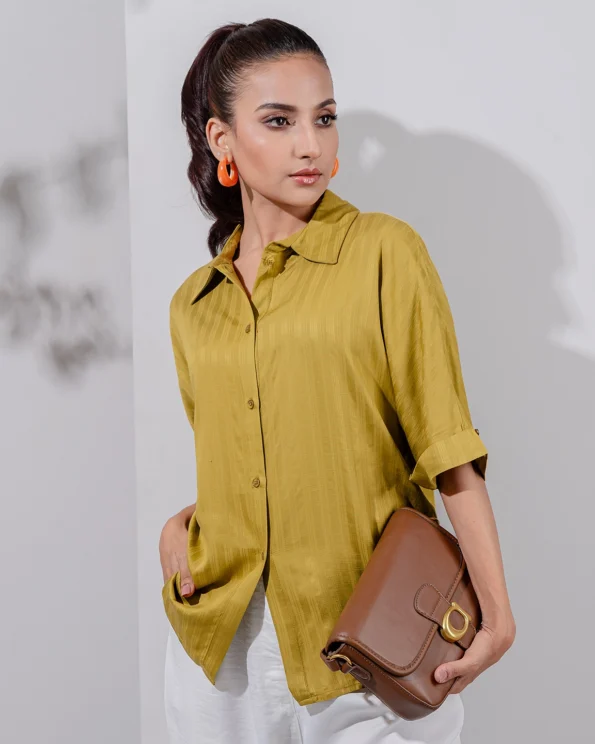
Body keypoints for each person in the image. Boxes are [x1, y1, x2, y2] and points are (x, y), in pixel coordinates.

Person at [159, 17, 516, 744]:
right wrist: (181, 525)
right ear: (221, 140)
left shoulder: (383, 253)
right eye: (278, 121)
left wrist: (497, 611)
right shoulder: (194, 305)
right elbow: (256, 459)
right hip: (220, 659)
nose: (309, 145)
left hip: (369, 648)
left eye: (323, 118)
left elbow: (446, 445)